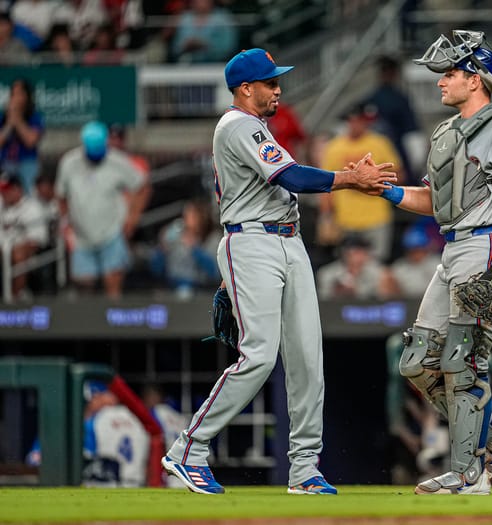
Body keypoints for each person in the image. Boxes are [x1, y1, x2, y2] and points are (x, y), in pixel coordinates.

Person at [160, 48, 397, 495]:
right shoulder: (239, 125)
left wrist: (341, 177)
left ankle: (305, 468)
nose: (278, 89)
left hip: (288, 241)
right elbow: (292, 178)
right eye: (270, 83)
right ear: (246, 88)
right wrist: (349, 180)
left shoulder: (259, 127)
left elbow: (294, 175)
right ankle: (188, 449)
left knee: (309, 360)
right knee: (260, 355)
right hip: (251, 243)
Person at [375, 30, 492, 495]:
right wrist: (381, 189)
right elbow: (433, 201)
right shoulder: (447, 131)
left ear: (477, 79)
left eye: (452, 73)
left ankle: (469, 475)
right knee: (416, 362)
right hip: (454, 246)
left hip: (487, 246)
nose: (442, 81)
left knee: (463, 363)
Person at [55, 121, 151, 298]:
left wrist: (133, 218)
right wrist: (66, 225)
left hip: (111, 232)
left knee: (112, 288)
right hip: (81, 236)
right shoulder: (69, 163)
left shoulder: (117, 161)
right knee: (84, 288)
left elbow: (142, 186)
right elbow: (61, 196)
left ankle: (113, 323)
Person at [319, 101, 403, 261]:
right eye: (352, 120)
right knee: (346, 266)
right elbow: (327, 182)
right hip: (345, 218)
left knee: (376, 264)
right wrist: (326, 215)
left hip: (376, 216)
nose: (355, 124)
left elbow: (399, 174)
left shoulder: (379, 143)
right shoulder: (334, 147)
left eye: (359, 120)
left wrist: (376, 179)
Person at [363, 55, 426, 185]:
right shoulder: (376, 98)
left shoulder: (393, 98)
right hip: (383, 149)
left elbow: (411, 130)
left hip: (395, 149)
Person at [82, 381, 150, 488]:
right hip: (137, 484)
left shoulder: (95, 420)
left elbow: (86, 456)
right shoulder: (138, 417)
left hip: (105, 484)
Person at [150, 198, 221, 297]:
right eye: (185, 215)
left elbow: (214, 273)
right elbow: (156, 270)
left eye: (191, 215)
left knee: (184, 292)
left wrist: (195, 248)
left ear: (202, 217)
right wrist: (162, 248)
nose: (186, 219)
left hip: (200, 289)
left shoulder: (213, 238)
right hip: (171, 287)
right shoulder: (175, 236)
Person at [0, 174, 48, 300]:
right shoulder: (2, 206)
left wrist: (13, 248)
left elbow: (37, 240)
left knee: (18, 255)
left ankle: (15, 296)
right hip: (4, 247)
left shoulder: (33, 207)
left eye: (7, 190)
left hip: (26, 249)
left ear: (17, 189)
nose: (4, 194)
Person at [316, 234, 397, 300]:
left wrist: (388, 284)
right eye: (356, 251)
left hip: (369, 313)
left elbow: (388, 299)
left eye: (363, 250)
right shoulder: (327, 273)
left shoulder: (379, 271)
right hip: (334, 314)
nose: (360, 255)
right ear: (343, 252)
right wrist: (338, 292)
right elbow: (322, 300)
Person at [0, 78, 44, 195]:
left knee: (29, 195)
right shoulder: (3, 116)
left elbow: (31, 140)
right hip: (6, 163)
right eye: (13, 94)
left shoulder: (34, 116)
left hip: (27, 163)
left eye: (19, 94)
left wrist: (18, 120)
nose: (16, 98)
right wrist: (9, 122)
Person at [169, 0, 237, 63]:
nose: (200, 2)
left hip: (217, 64)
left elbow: (228, 47)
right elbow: (175, 47)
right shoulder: (184, 18)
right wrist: (186, 46)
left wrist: (205, 46)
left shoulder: (223, 18)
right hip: (187, 65)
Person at [390, 224, 442, 299]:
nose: (416, 254)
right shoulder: (399, 266)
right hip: (407, 303)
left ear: (425, 248)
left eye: (418, 249)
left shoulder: (436, 263)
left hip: (432, 300)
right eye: (412, 250)